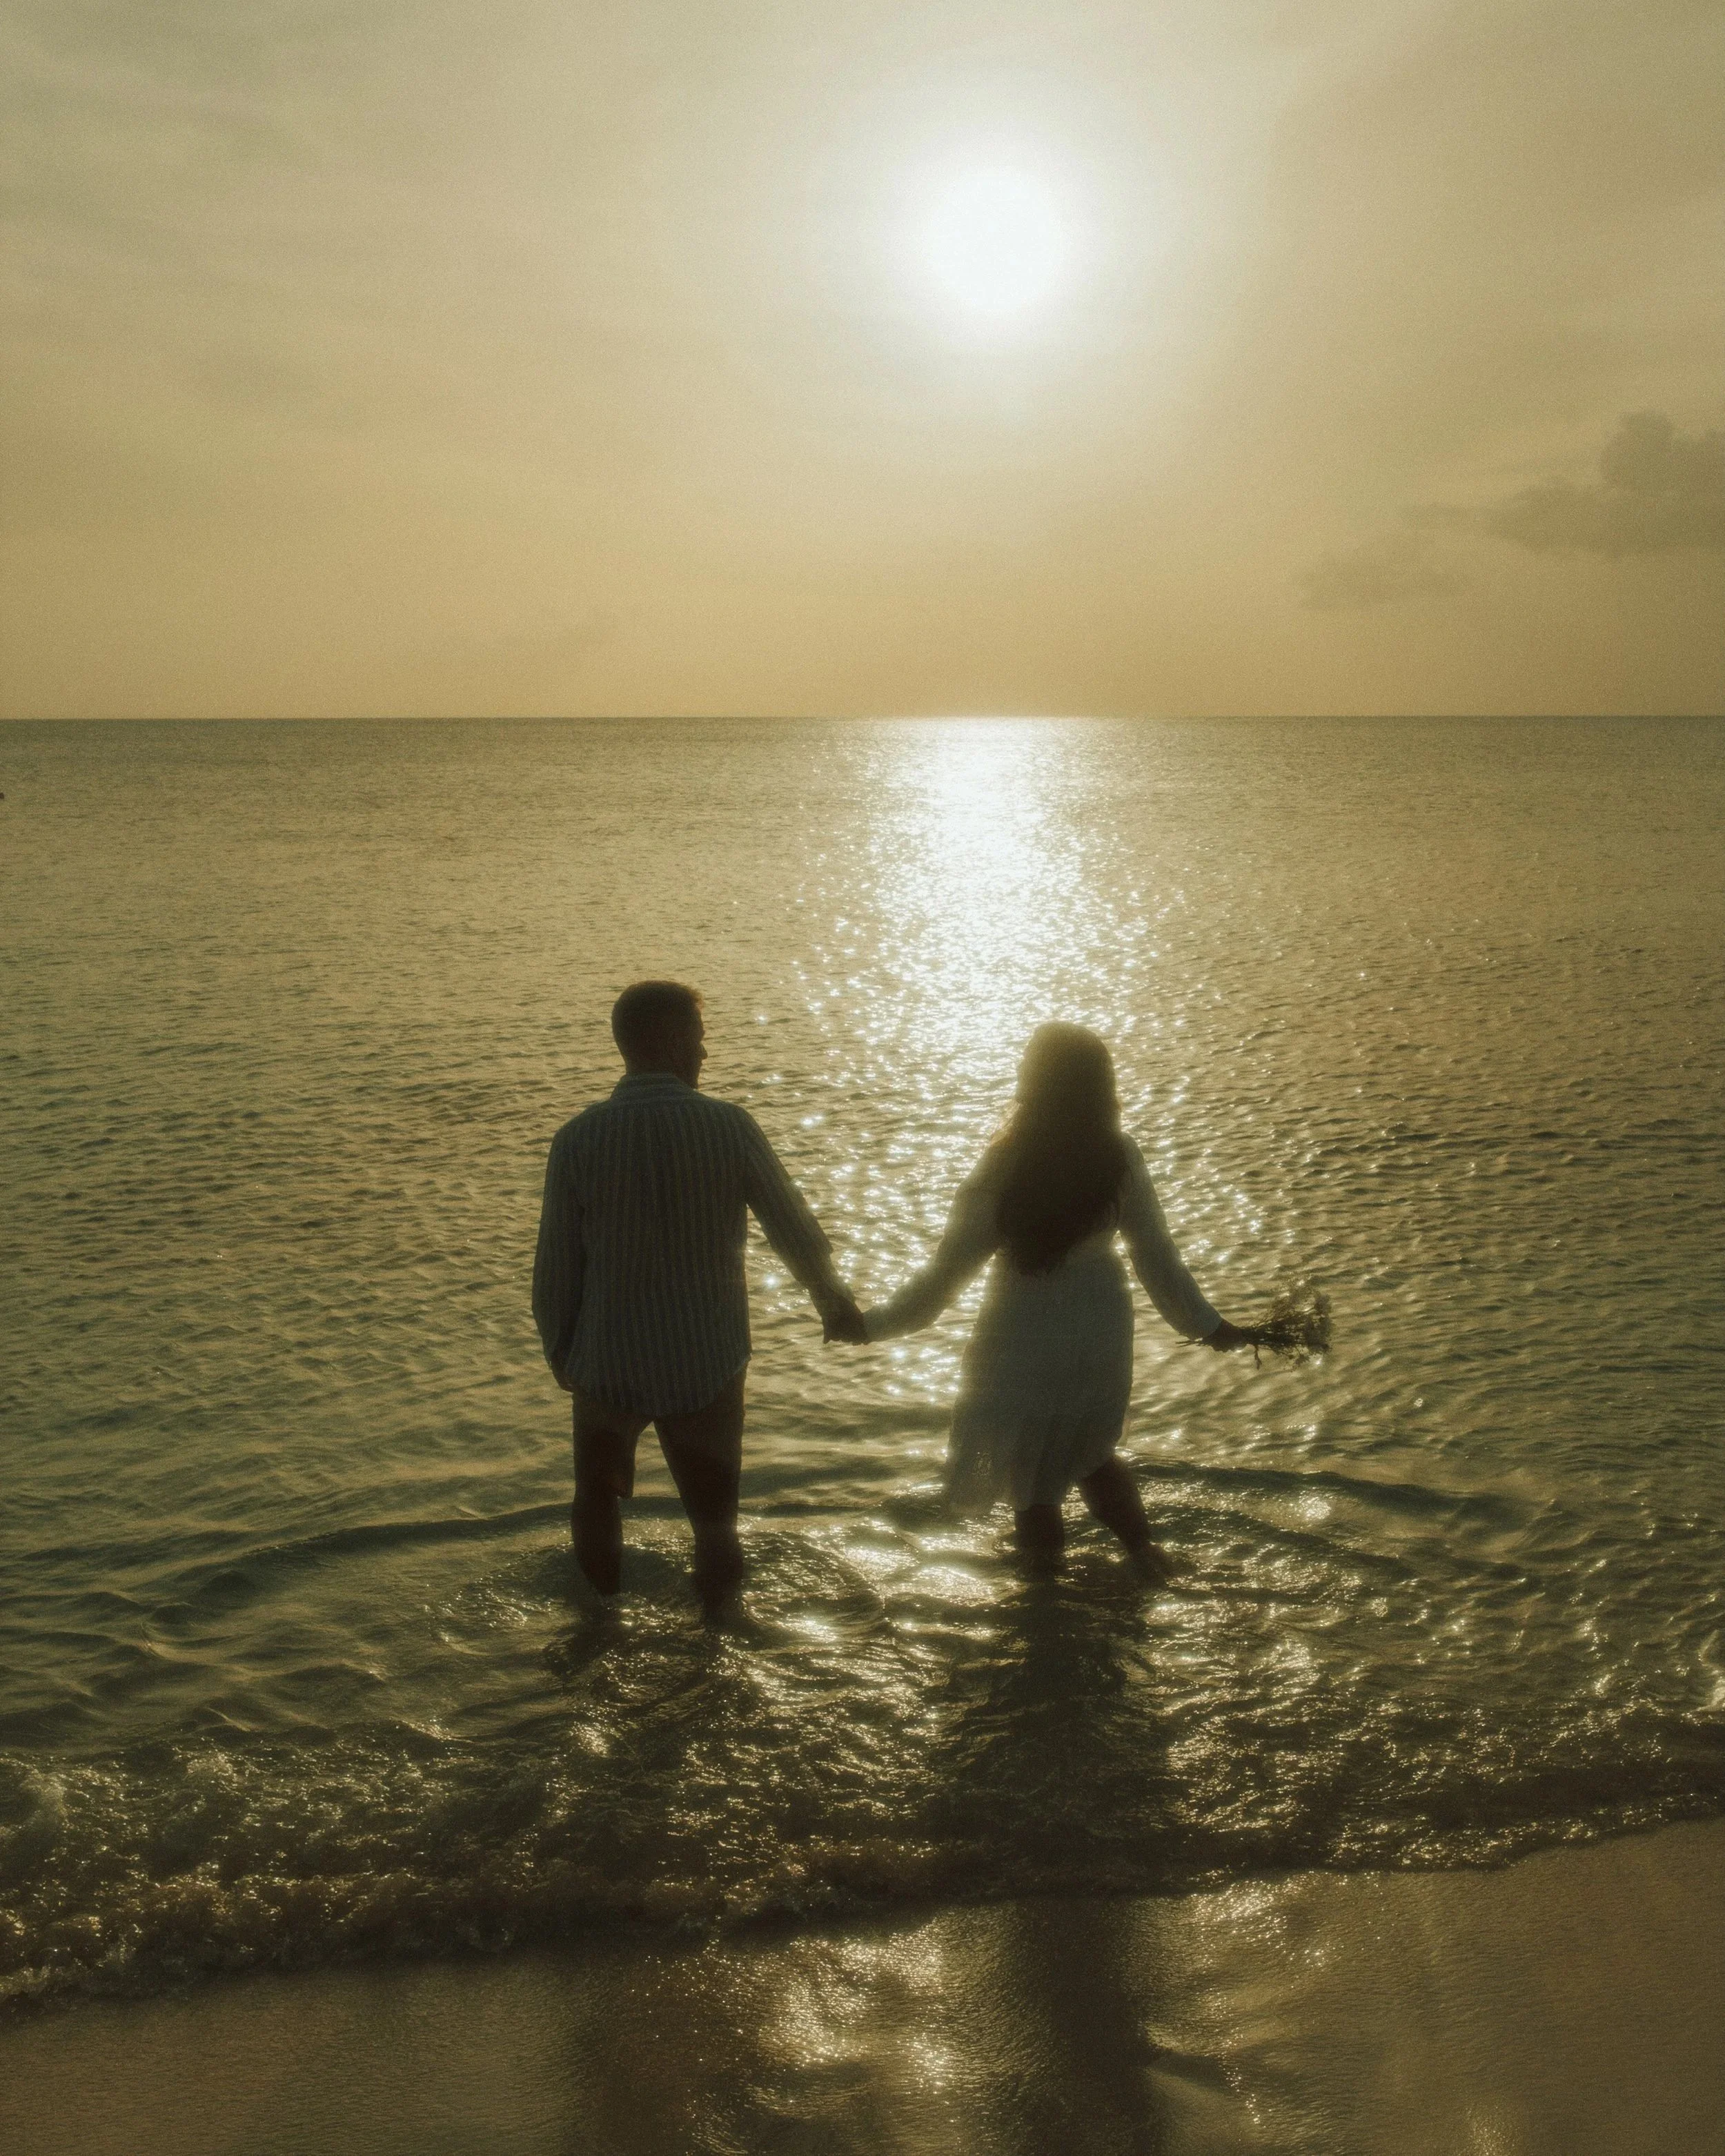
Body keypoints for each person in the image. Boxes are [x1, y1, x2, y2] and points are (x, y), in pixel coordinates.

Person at [858, 1022, 1259, 1580]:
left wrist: (871, 1325)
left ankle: (1044, 1592)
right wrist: (1210, 1326)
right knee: (1091, 1454)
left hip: (1024, 1330)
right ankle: (1148, 1558)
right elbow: (1157, 1258)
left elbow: (945, 1276)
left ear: (1033, 1082)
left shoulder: (1006, 1164)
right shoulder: (1118, 1156)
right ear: (1101, 1087)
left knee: (1033, 1479)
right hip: (1099, 1326)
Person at [533, 980, 865, 1614]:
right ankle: (721, 1631)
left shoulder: (577, 1138)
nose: (705, 1053)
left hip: (609, 1356)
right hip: (706, 1354)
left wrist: (559, 1345)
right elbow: (792, 1226)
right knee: (714, 1521)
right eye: (700, 1037)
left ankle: (598, 1627)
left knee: (597, 1498)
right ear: (670, 1040)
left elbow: (557, 1264)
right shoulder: (728, 1126)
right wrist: (832, 1300)